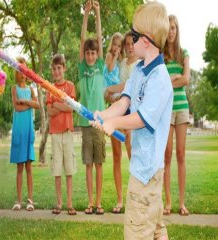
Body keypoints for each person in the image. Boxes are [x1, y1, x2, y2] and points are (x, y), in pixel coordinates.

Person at [91, 2, 171, 239]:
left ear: (146, 40)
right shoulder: (138, 71)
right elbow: (124, 103)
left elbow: (142, 118)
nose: (131, 40)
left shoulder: (160, 79)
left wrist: (115, 124)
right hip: (142, 167)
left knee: (137, 231)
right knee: (155, 227)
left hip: (147, 173)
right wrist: (104, 115)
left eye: (134, 35)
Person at [104, 31, 139, 214]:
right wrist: (109, 95)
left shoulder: (140, 65)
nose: (129, 46)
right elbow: (111, 81)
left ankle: (135, 199)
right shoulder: (122, 64)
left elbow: (127, 88)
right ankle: (119, 200)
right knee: (116, 157)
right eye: (127, 44)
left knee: (133, 157)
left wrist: (111, 89)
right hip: (118, 110)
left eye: (132, 43)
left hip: (132, 114)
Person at [79, 0, 105, 215]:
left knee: (99, 164)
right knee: (88, 163)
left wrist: (97, 12)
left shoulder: (99, 67)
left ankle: (98, 202)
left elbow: (98, 39)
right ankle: (89, 202)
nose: (90, 55)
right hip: (86, 122)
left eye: (93, 53)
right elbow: (83, 40)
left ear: (96, 55)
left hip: (101, 121)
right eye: (87, 53)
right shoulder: (81, 68)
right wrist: (85, 14)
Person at [163, 15, 190, 217]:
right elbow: (160, 84)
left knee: (180, 154)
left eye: (174, 27)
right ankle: (168, 202)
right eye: (168, 28)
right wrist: (173, 79)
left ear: (177, 30)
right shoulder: (161, 57)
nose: (171, 31)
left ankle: (181, 203)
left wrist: (170, 82)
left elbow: (187, 79)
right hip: (166, 109)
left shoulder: (184, 54)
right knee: (167, 156)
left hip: (181, 108)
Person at [46, 54, 77, 216]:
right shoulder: (50, 88)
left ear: (64, 68)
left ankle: (70, 204)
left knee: (69, 170)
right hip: (55, 134)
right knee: (57, 170)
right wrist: (61, 104)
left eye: (60, 68)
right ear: (52, 71)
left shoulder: (70, 86)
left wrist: (57, 104)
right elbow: (49, 111)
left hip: (67, 132)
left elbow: (71, 108)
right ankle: (59, 203)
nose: (57, 71)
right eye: (54, 68)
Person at [10, 57, 39, 211]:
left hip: (29, 132)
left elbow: (38, 105)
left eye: (24, 70)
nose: (22, 73)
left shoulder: (31, 89)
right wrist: (28, 104)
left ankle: (30, 200)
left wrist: (26, 102)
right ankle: (19, 200)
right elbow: (17, 108)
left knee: (29, 167)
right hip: (19, 133)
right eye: (19, 70)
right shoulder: (14, 89)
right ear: (17, 72)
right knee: (20, 167)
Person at [103, 32, 123, 103]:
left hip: (114, 83)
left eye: (119, 46)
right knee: (114, 101)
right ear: (111, 44)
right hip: (107, 84)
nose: (116, 48)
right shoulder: (110, 55)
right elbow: (110, 69)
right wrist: (116, 56)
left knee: (119, 99)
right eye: (114, 44)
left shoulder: (119, 58)